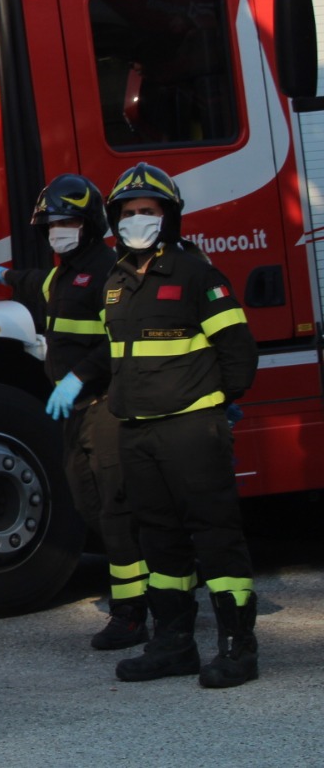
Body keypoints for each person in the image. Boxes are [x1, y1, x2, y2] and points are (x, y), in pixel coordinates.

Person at [101, 163, 259, 689]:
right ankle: (173, 644)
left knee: (215, 537)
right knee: (160, 541)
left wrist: (214, 402)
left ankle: (238, 648)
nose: (138, 220)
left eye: (148, 211)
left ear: (168, 217)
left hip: (192, 429)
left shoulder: (196, 274)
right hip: (138, 431)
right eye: (129, 213)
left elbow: (238, 350)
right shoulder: (117, 281)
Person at [0, 174, 148, 651]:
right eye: (51, 223)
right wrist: (2, 275)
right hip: (76, 413)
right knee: (88, 502)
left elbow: (120, 339)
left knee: (115, 510)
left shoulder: (110, 271)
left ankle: (132, 611)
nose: (58, 230)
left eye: (68, 221)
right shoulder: (66, 272)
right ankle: (158, 578)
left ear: (90, 223)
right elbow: (39, 284)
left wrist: (80, 376)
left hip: (104, 406)